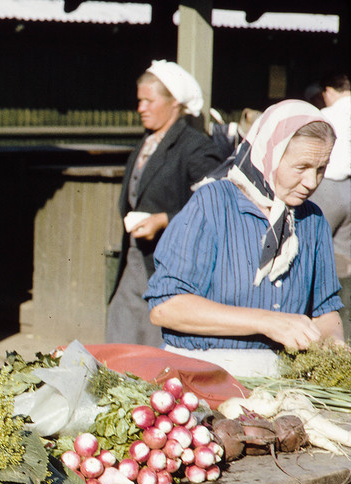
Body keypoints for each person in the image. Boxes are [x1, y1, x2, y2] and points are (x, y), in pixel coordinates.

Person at [146, 99, 343, 376]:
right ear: (268, 155)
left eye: (321, 169)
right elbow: (167, 308)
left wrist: (334, 352)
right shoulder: (212, 203)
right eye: (301, 167)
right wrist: (267, 322)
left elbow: (325, 311)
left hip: (281, 382)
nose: (312, 182)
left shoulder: (312, 220)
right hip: (201, 376)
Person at [105, 60, 224, 347]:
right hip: (135, 259)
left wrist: (164, 219)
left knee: (153, 344)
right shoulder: (148, 141)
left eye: (149, 100)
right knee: (119, 335)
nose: (141, 108)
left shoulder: (194, 146)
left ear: (174, 103)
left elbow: (217, 200)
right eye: (139, 100)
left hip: (167, 264)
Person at [311, 73, 350, 279]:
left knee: (313, 245)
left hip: (328, 186)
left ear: (329, 91)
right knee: (343, 257)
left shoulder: (326, 114)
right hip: (350, 189)